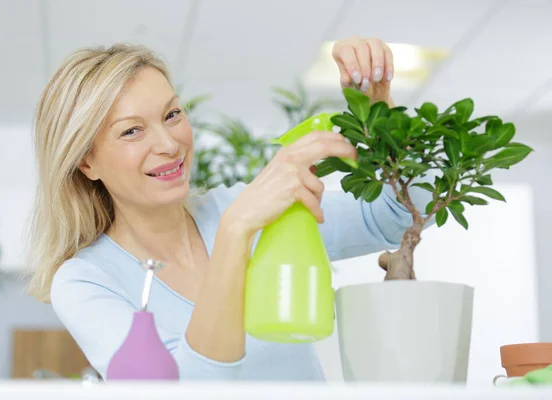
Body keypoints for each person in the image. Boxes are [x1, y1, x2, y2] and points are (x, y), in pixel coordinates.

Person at [26, 36, 432, 381]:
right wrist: (235, 230)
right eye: (132, 130)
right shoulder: (85, 281)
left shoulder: (243, 207)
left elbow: (396, 214)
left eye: (172, 114)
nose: (169, 144)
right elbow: (188, 386)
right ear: (86, 162)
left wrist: (380, 113)